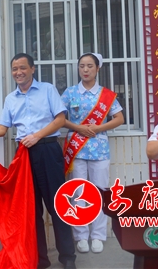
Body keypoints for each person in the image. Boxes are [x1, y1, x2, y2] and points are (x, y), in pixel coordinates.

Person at [0, 53, 77, 269]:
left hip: (48, 150)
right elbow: (2, 129)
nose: (18, 72)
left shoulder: (47, 89)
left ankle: (67, 257)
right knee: (31, 209)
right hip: (24, 156)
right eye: (14, 69)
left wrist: (37, 136)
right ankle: (39, 259)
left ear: (32, 69)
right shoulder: (11, 99)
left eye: (22, 68)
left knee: (58, 205)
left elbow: (60, 120)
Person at [61, 52, 124, 254]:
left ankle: (98, 235)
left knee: (99, 192)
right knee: (77, 192)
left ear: (98, 68)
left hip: (100, 150)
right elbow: (59, 118)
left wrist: (98, 128)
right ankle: (81, 235)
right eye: (82, 66)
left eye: (89, 66)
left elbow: (119, 118)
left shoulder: (106, 95)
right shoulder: (70, 93)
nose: (85, 70)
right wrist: (78, 128)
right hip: (77, 151)